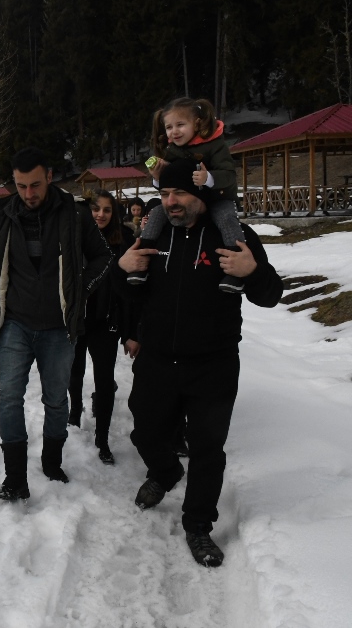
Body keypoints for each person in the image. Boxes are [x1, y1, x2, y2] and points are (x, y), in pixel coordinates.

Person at [115, 157, 282, 568]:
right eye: (164, 194)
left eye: (179, 193)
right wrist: (122, 269)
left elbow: (270, 294)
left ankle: (198, 525)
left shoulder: (234, 235)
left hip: (213, 364)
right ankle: (165, 472)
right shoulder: (154, 235)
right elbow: (131, 293)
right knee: (146, 432)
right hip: (158, 360)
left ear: (201, 194)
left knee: (208, 448)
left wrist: (253, 271)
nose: (171, 201)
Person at [0, 148, 113, 502]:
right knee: (9, 397)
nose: (28, 193)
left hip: (58, 326)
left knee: (56, 400)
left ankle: (52, 462)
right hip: (16, 322)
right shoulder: (5, 213)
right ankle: (15, 478)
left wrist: (80, 289)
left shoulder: (75, 213)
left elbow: (103, 256)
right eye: (21, 186)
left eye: (35, 185)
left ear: (50, 177)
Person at [130, 97, 245, 294]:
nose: (174, 131)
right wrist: (158, 177)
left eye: (180, 125)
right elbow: (170, 185)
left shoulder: (215, 144)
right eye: (169, 127)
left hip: (218, 198)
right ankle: (142, 257)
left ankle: (236, 268)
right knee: (156, 213)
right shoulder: (171, 150)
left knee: (226, 218)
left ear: (197, 124)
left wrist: (209, 177)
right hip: (188, 204)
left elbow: (229, 175)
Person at [68, 190, 139, 465]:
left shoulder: (123, 241)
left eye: (107, 210)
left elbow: (131, 292)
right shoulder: (75, 237)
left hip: (106, 320)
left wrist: (131, 331)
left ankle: (102, 438)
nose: (100, 214)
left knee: (104, 380)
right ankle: (75, 413)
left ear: (114, 213)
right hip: (77, 319)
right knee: (74, 372)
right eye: (95, 209)